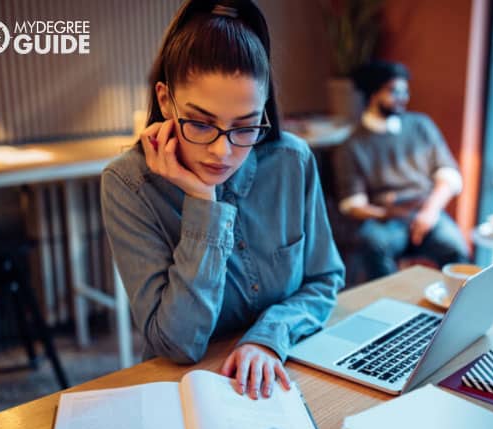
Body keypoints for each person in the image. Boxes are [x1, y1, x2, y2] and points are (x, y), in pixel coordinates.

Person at [100, 0, 345, 400]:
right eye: (200, 123)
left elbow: (324, 279)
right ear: (165, 101)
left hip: (287, 374)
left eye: (245, 127)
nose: (221, 152)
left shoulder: (292, 160)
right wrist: (202, 202)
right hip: (187, 390)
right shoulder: (128, 184)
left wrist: (268, 337)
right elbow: (178, 345)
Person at [333, 61, 470, 280]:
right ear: (373, 93)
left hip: (427, 211)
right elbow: (353, 205)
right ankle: (391, 307)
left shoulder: (421, 126)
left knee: (456, 248)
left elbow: (449, 175)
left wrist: (429, 212)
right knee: (373, 245)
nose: (404, 98)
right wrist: (390, 213)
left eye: (406, 91)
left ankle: (458, 306)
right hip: (385, 220)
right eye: (395, 91)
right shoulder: (352, 145)